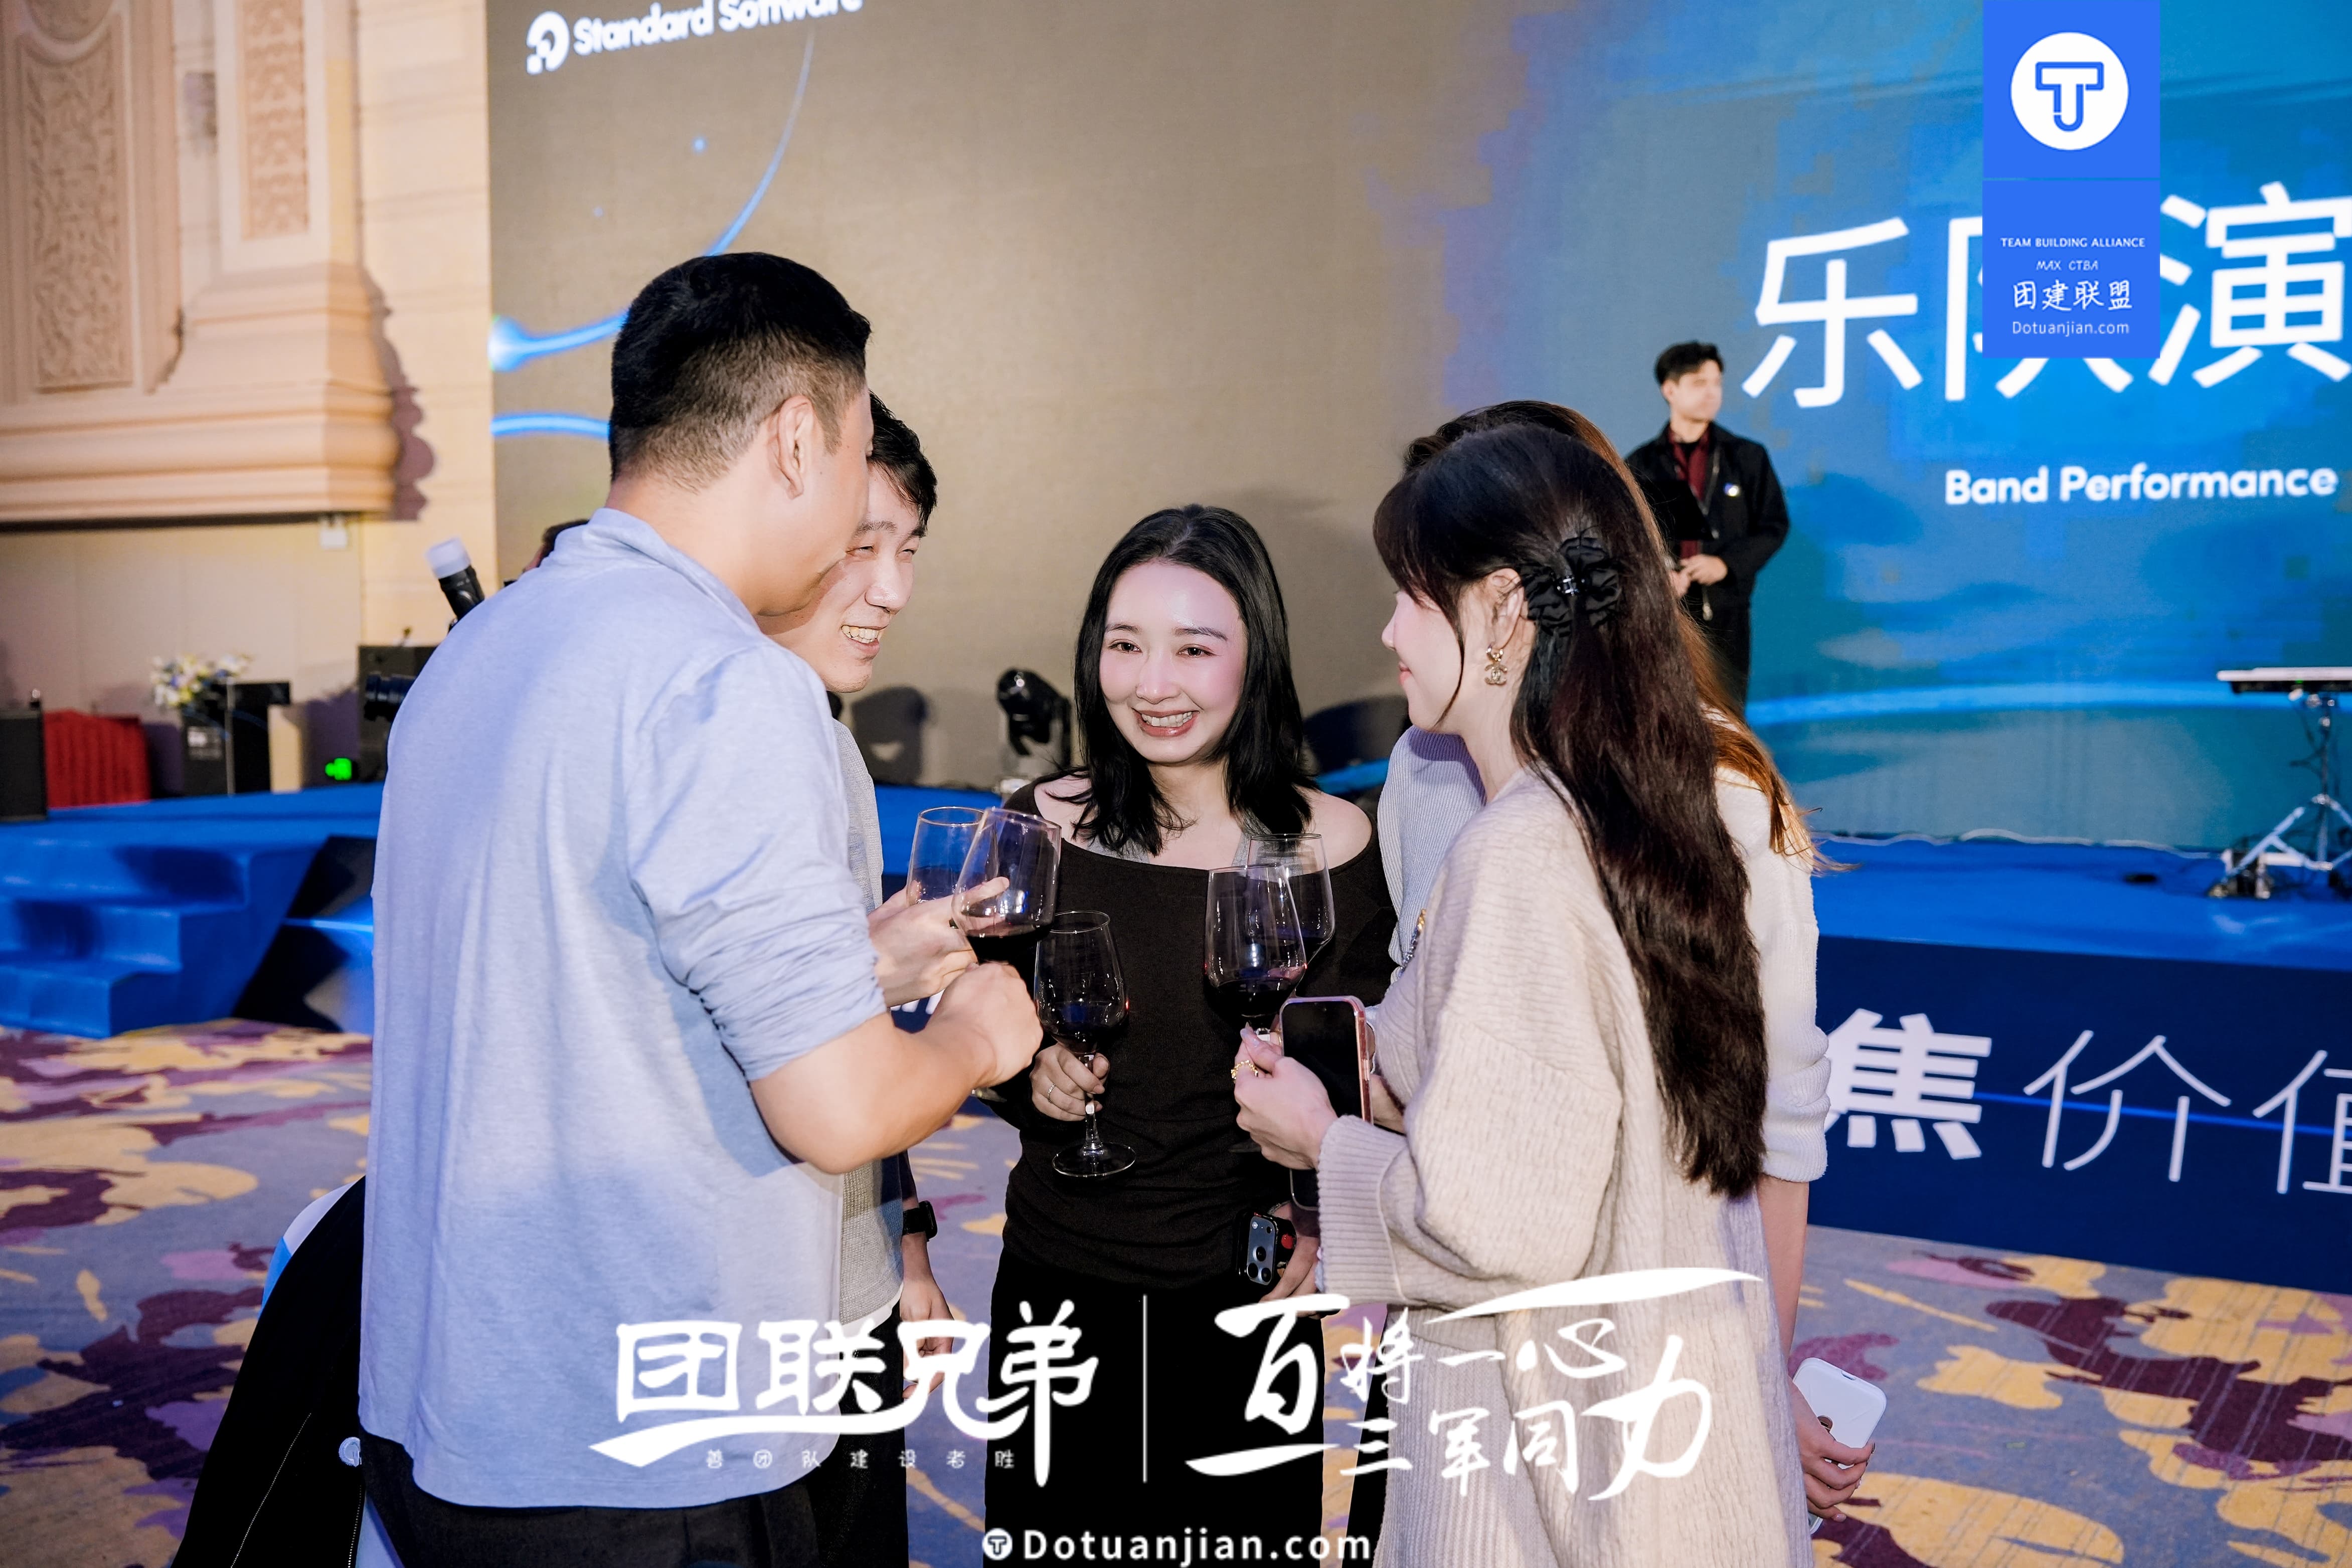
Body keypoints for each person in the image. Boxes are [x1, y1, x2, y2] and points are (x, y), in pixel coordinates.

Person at [359, 253, 1041, 1568]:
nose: (867, 539)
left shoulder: (480, 647)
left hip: (449, 1403)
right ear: (795, 439)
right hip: (641, 1449)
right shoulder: (725, 680)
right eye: (855, 453)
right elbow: (838, 1106)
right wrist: (975, 1034)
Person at [1236, 425, 1814, 1564]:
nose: (1390, 631)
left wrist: (1320, 1140)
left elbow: (1489, 1229)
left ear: (1503, 610)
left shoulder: (1526, 849)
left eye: (1412, 595)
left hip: (1544, 1461)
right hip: (1658, 1413)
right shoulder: (1634, 810)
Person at [1377, 400, 1869, 1528]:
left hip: (1622, 1345)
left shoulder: (1708, 793)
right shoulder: (1429, 770)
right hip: (1470, 1345)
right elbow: (1453, 1062)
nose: (1391, 629)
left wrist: (1757, 1370)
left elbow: (1764, 1121)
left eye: (1415, 591)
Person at [984, 505, 1395, 1551]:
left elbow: (1361, 1074)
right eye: (1125, 645)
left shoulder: (1332, 844)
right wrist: (1027, 1074)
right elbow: (977, 1014)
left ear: (1255, 657)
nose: (1152, 684)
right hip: (1060, 1282)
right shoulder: (1043, 822)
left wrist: (1318, 1214)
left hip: (1248, 1294)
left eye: (1194, 650)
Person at [756, 396, 961, 1568]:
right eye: (861, 545)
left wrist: (907, 1241)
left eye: (909, 549)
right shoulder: (746, 735)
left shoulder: (822, 733)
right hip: (757, 1299)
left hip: (845, 1268)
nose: (892, 588)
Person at [1624, 342, 1791, 711]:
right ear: (1670, 390)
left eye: (1717, 383)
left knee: (1726, 715)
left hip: (1726, 611)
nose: (1712, 393)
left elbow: (1774, 525)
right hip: (1667, 611)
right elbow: (1628, 537)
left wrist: (1726, 564)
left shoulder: (1745, 457)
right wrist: (1661, 573)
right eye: (1699, 383)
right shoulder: (1641, 464)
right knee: (1667, 713)